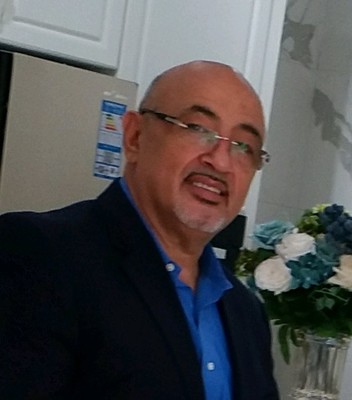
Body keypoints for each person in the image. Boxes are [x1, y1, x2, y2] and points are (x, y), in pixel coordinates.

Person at [0, 60, 279, 399]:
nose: (221, 161)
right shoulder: (38, 254)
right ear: (134, 137)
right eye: (198, 128)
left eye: (243, 146)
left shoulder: (246, 312)